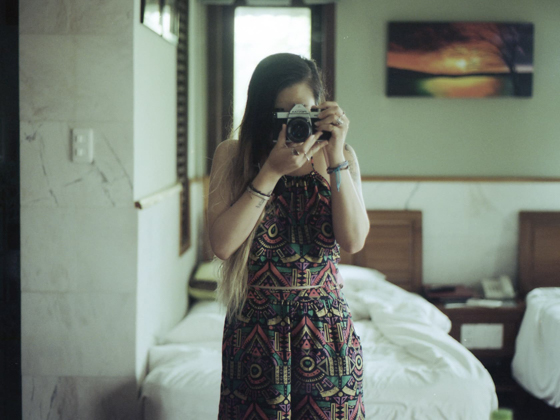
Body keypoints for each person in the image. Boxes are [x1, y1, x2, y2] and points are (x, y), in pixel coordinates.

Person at [208, 53, 369, 420]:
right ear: (263, 113)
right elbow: (222, 245)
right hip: (254, 338)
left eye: (303, 112)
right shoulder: (234, 155)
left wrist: (335, 156)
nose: (292, 123)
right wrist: (270, 172)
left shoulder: (340, 157)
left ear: (320, 110)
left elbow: (354, 240)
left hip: (326, 334)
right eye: (281, 113)